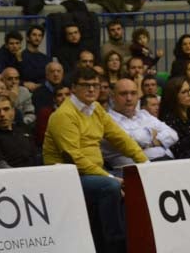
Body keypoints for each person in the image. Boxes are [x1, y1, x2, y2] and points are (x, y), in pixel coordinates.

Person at [43, 67, 148, 253]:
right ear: (74, 88)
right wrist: (108, 176)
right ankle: (116, 245)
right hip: (67, 176)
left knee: (135, 179)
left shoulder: (96, 109)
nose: (92, 89)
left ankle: (139, 240)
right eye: (86, 85)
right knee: (111, 187)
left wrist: (145, 163)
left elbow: (119, 137)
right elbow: (74, 158)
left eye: (95, 85)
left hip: (93, 172)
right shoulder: (64, 115)